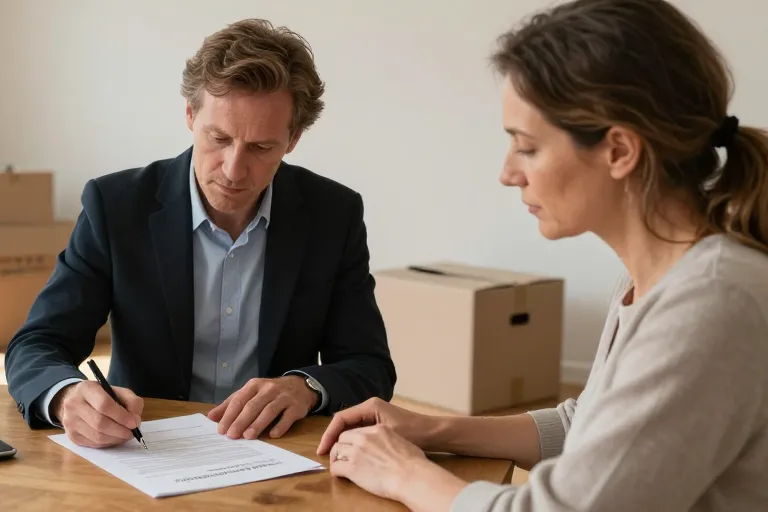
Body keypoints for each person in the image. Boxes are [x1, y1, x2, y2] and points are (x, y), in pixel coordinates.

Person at [317, 0, 768, 510]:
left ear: (619, 151)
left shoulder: (710, 303)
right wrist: (432, 427)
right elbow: (591, 425)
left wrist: (406, 475)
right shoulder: (655, 278)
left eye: (527, 147)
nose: (508, 173)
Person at [4, 19, 396, 449]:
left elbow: (369, 365)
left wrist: (306, 387)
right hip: (146, 448)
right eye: (219, 138)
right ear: (190, 116)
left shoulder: (332, 214)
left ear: (293, 139)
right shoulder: (116, 206)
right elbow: (37, 343)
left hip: (276, 452)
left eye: (261, 148)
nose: (233, 169)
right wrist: (65, 397)